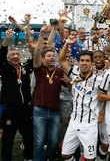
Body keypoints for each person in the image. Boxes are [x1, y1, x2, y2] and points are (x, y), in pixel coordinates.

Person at [59, 36, 102, 161]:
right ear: (79, 62)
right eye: (82, 60)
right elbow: (61, 60)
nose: (84, 63)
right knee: (65, 155)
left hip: (89, 124)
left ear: (92, 63)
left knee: (89, 158)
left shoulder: (99, 81)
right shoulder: (74, 73)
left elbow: (104, 97)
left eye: (87, 61)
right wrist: (67, 43)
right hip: (74, 121)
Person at [32, 26, 68, 161]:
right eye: (49, 56)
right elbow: (36, 53)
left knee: (53, 142)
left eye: (53, 55)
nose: (52, 57)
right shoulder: (39, 69)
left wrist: (69, 82)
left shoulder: (59, 71)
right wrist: (41, 36)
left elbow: (69, 87)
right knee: (39, 142)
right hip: (39, 110)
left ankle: (48, 159)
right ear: (43, 58)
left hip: (54, 111)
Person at [0, 28, 33, 161]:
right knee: (8, 139)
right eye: (12, 54)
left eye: (17, 54)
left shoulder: (25, 67)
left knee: (29, 137)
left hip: (25, 108)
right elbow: (1, 54)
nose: (15, 56)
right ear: (8, 58)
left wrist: (32, 44)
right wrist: (7, 39)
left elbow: (35, 57)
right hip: (10, 109)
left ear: (20, 56)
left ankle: (28, 157)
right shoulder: (4, 67)